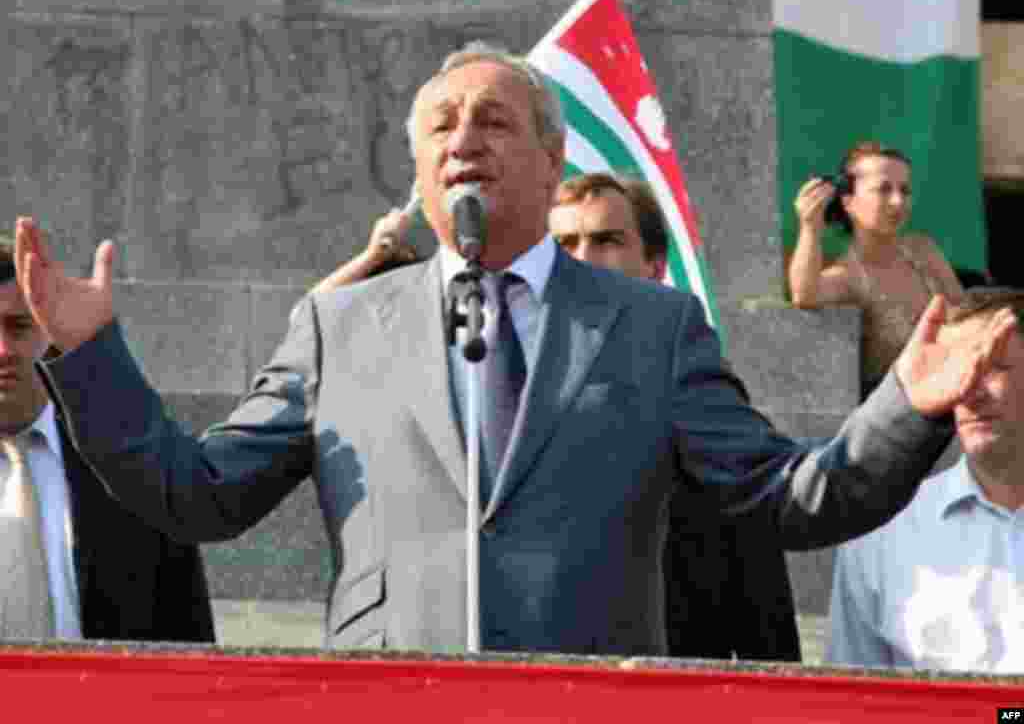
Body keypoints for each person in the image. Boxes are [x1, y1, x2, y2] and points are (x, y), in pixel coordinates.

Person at [13, 42, 1017, 656]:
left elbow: (791, 499)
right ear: (417, 167)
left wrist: (909, 403)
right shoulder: (340, 325)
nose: (463, 140)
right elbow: (199, 490)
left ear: (552, 160)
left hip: (585, 693)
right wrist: (91, 354)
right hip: (389, 698)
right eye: (441, 127)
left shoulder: (651, 327)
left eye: (493, 121)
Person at [549, 171, 800, 661]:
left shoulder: (695, 386)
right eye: (564, 242)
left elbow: (752, 536)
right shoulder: (495, 379)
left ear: (655, 265)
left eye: (606, 240)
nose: (581, 258)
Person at [0, 237, 214, 643]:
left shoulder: (130, 464)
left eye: (18, 326)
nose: (3, 350)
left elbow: (185, 627)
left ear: (49, 329)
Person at [827, 288, 1024, 672]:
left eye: (994, 366)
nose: (969, 389)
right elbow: (853, 703)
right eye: (957, 371)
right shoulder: (880, 531)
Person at [788, 142, 965, 399]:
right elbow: (804, 295)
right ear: (848, 201)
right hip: (901, 419)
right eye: (883, 190)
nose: (898, 201)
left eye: (905, 190)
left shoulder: (923, 250)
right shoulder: (847, 276)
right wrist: (810, 225)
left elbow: (965, 315)